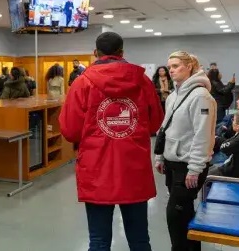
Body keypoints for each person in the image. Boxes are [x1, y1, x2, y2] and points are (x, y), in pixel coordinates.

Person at [60, 32, 164, 251]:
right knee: (140, 240)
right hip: (133, 168)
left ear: (95, 53)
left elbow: (70, 130)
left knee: (98, 242)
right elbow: (155, 123)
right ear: (122, 53)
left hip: (97, 168)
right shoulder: (142, 81)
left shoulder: (82, 83)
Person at [154, 51, 216, 251]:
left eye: (176, 66)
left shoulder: (201, 96)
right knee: (184, 213)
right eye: (169, 66)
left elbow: (203, 134)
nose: (171, 70)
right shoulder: (173, 95)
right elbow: (165, 127)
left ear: (189, 66)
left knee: (175, 215)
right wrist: (160, 155)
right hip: (173, 163)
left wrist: (196, 168)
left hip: (189, 166)